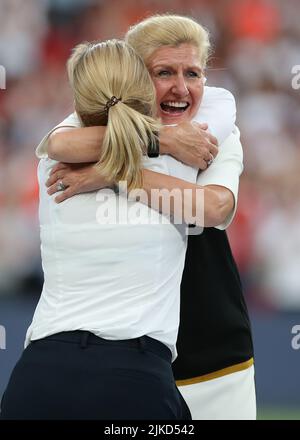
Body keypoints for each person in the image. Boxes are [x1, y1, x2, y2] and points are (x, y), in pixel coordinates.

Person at [0, 35, 235, 420]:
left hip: (38, 377)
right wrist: (161, 139)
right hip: (135, 377)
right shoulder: (180, 155)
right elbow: (214, 206)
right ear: (145, 86)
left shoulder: (51, 163)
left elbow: (62, 144)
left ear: (78, 99)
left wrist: (111, 172)